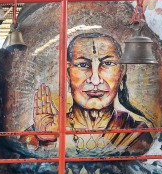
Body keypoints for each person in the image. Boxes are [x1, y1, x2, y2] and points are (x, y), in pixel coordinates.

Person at [20, 32, 154, 156]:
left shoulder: (136, 133)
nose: (95, 80)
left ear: (121, 71)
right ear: (67, 73)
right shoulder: (42, 131)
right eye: (83, 64)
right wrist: (46, 141)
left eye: (107, 63)